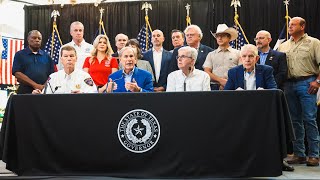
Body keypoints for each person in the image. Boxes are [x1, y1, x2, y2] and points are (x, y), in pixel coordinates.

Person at [278, 17, 320, 166]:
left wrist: (318, 81)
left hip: (307, 82)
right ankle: (299, 153)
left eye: (293, 25)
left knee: (309, 118)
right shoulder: (283, 46)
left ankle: (314, 154)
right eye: (289, 25)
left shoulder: (314, 43)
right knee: (294, 120)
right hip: (288, 85)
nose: (290, 27)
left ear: (302, 26)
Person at [33, 45, 97, 94]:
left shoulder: (85, 76)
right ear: (61, 59)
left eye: (71, 56)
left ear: (76, 58)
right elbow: (45, 96)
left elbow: (93, 94)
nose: (69, 59)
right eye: (66, 56)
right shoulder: (53, 77)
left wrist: (81, 95)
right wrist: (39, 94)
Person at [12, 30, 55, 94]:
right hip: (25, 91)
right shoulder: (20, 54)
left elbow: (52, 75)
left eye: (39, 38)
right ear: (28, 39)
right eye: (34, 38)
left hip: (43, 91)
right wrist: (35, 85)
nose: (37, 40)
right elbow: (17, 73)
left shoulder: (47, 56)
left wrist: (44, 86)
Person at [203, 24, 240, 90]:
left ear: (229, 37)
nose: (219, 38)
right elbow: (207, 72)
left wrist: (229, 83)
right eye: (217, 36)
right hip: (214, 87)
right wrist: (220, 80)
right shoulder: (211, 54)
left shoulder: (238, 53)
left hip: (234, 86)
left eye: (222, 36)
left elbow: (241, 71)